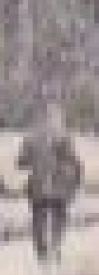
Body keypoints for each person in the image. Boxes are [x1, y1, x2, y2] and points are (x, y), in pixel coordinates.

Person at [15, 102, 85, 265]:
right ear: (56, 118)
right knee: (59, 217)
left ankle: (42, 254)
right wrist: (76, 180)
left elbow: (21, 163)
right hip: (59, 186)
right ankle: (55, 246)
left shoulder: (30, 137)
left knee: (38, 219)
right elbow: (74, 161)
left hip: (38, 186)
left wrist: (34, 162)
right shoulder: (64, 137)